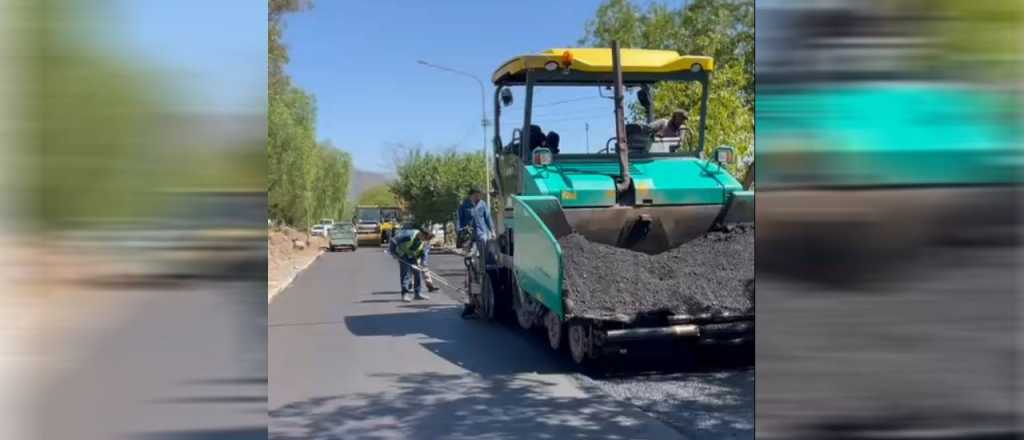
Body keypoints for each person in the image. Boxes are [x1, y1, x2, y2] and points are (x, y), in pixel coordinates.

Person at [388, 227, 434, 302]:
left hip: (413, 255)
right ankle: (405, 294)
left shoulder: (425, 241)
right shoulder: (408, 235)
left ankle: (417, 293)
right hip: (403, 254)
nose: (424, 240)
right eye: (424, 238)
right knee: (406, 273)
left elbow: (424, 253)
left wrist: (422, 263)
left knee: (417, 272)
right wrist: (393, 252)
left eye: (426, 239)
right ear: (421, 234)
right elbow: (394, 240)